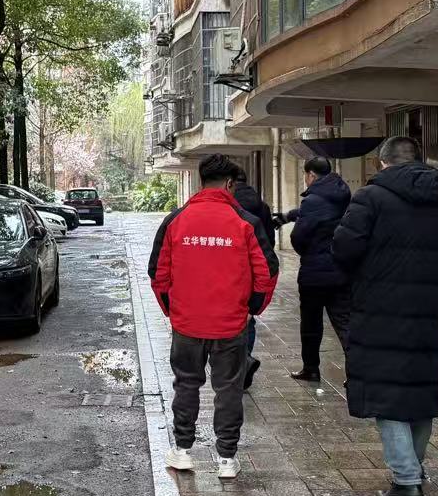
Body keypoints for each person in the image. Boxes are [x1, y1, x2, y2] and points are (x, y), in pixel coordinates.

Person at [331, 137, 438, 496]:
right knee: (419, 391)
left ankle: (406, 482)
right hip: (430, 310)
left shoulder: (371, 198)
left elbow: (344, 248)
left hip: (380, 309)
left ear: (382, 163)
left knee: (385, 394)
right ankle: (413, 470)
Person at [148, 154, 279, 478]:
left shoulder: (176, 220)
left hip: (187, 325)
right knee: (228, 389)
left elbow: (158, 274)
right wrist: (251, 309)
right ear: (230, 184)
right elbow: (267, 272)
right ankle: (226, 459)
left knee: (186, 385)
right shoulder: (246, 222)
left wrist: (173, 311)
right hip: (230, 325)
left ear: (201, 180)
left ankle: (182, 451)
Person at [280, 157, 353, 383]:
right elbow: (321, 213)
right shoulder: (344, 195)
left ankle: (311, 369)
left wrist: (307, 253)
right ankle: (357, 372)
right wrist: (290, 215)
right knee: (344, 323)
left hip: (315, 274)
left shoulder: (313, 200)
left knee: (311, 324)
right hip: (341, 270)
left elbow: (299, 237)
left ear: (311, 174)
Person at [230, 168, 274, 388]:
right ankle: (245, 358)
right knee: (248, 317)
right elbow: (269, 243)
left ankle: (237, 364)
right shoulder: (262, 207)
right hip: (253, 269)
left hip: (232, 268)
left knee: (229, 315)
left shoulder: (230, 207)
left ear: (230, 183)